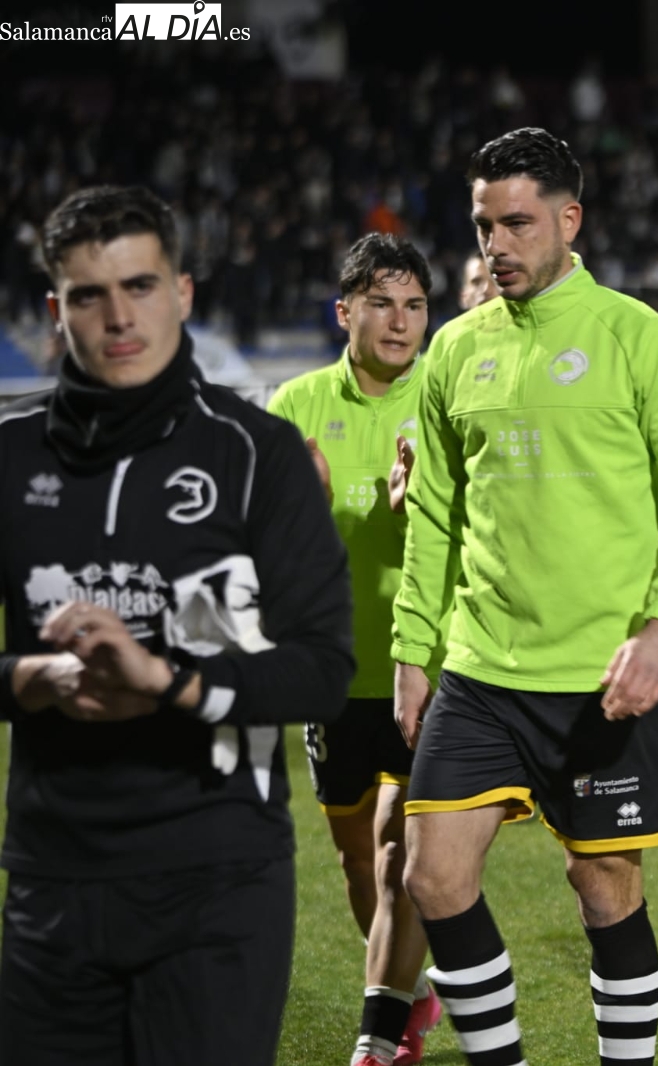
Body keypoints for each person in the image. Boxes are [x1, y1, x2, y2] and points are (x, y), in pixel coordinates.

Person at [391, 128, 658, 1066]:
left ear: (568, 220)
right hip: (480, 669)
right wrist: (412, 653)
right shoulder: (455, 349)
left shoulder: (636, 336)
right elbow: (434, 516)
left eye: (517, 224)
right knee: (433, 876)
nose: (496, 245)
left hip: (600, 677)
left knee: (603, 884)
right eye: (483, 226)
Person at [0, 185, 354, 1062]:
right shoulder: (9, 458)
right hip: (52, 882)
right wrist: (29, 679)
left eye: (141, 286)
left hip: (219, 879)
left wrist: (169, 682)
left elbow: (321, 670)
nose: (119, 317)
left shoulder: (258, 453)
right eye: (89, 295)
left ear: (183, 292)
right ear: (56, 310)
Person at [268, 233, 442, 1066]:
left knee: (404, 853)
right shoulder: (293, 405)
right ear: (345, 312)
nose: (400, 321)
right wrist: (296, 510)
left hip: (427, 670)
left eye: (414, 305)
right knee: (355, 862)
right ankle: (411, 989)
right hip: (334, 672)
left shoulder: (446, 399)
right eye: (382, 304)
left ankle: (382, 1034)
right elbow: (250, 548)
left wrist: (427, 508)